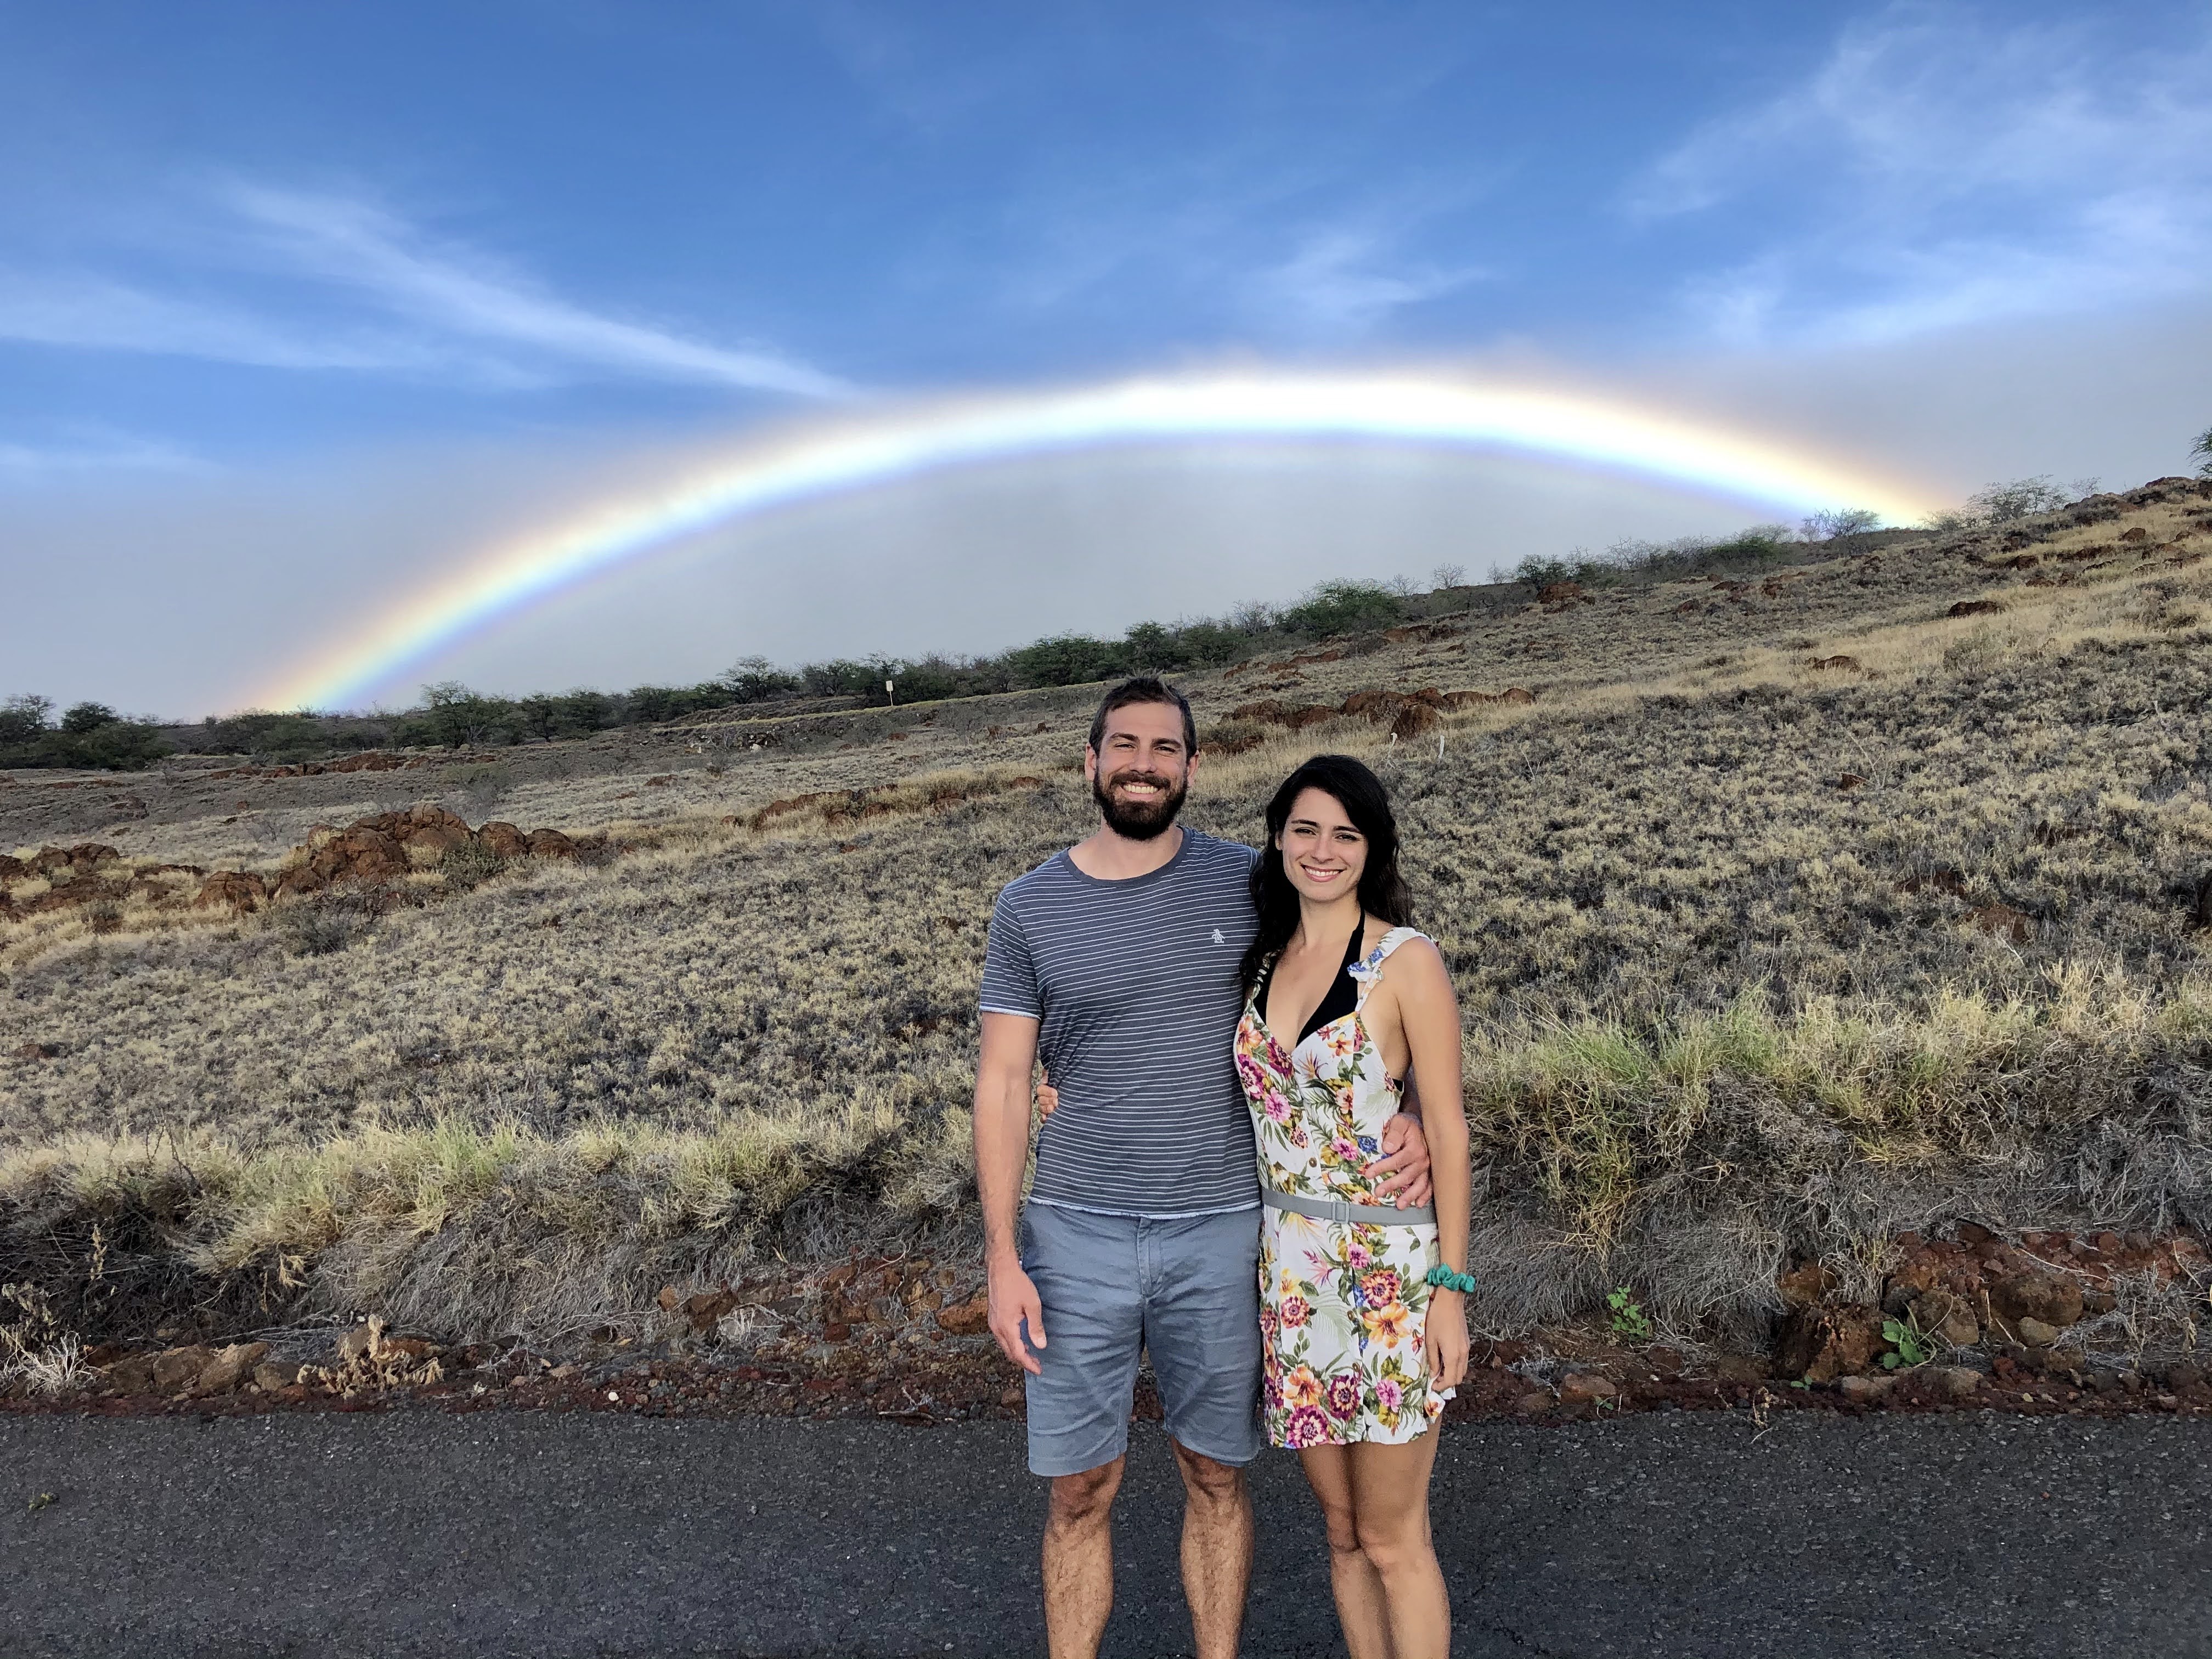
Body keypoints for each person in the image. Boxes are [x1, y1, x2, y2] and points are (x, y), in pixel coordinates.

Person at [972, 677, 1434, 1659]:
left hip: (1226, 1231)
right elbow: (1007, 1082)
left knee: (1215, 1475)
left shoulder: (1250, 882)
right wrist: (1002, 1257)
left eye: (1165, 749)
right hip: (1073, 1233)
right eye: (1124, 745)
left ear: (1192, 767)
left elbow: (1374, 983)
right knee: (1078, 1491)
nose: (1144, 764)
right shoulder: (1028, 907)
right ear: (1090, 762)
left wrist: (1418, 1113)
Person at [1235, 754, 1470, 1659]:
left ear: (1371, 848)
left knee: (1392, 1538)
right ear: (1280, 839)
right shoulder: (1263, 957)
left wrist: (1451, 1289)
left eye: (1346, 833)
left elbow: (1447, 1129)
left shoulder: (1404, 961)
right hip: (1290, 1280)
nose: (1323, 850)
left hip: (1389, 1282)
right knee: (1340, 1535)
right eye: (1305, 829)